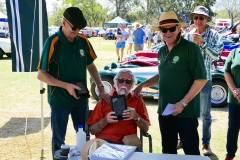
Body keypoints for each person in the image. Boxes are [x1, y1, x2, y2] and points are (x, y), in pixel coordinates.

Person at [37, 7, 110, 160]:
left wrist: (101, 87)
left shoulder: (83, 41)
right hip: (59, 100)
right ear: (64, 23)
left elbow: (90, 65)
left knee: (84, 137)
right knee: (58, 140)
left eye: (80, 28)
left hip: (81, 100)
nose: (77, 31)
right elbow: (41, 74)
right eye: (74, 27)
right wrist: (66, 86)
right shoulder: (52, 42)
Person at [134, 10, 207, 155]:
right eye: (164, 29)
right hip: (165, 111)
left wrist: (183, 103)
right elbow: (163, 74)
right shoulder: (161, 51)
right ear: (160, 31)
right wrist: (143, 84)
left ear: (178, 29)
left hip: (186, 112)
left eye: (172, 28)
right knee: (167, 151)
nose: (168, 32)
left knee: (191, 151)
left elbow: (201, 79)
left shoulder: (190, 48)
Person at [184, 6, 224, 156]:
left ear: (207, 19)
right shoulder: (188, 36)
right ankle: (184, 138)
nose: (198, 20)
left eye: (201, 18)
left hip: (205, 80)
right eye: (196, 17)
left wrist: (202, 43)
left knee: (205, 115)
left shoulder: (214, 35)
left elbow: (215, 56)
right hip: (188, 80)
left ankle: (205, 143)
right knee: (186, 111)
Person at [87, 69, 150, 150]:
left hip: (129, 143)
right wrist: (105, 120)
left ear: (133, 85)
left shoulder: (137, 100)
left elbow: (146, 129)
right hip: (105, 142)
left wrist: (137, 117)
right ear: (115, 83)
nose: (124, 84)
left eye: (128, 82)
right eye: (120, 80)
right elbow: (92, 130)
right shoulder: (105, 99)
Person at [223, 48, 240, 160]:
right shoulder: (234, 53)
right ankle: (230, 155)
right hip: (234, 99)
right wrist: (234, 90)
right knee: (233, 127)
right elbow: (226, 71)